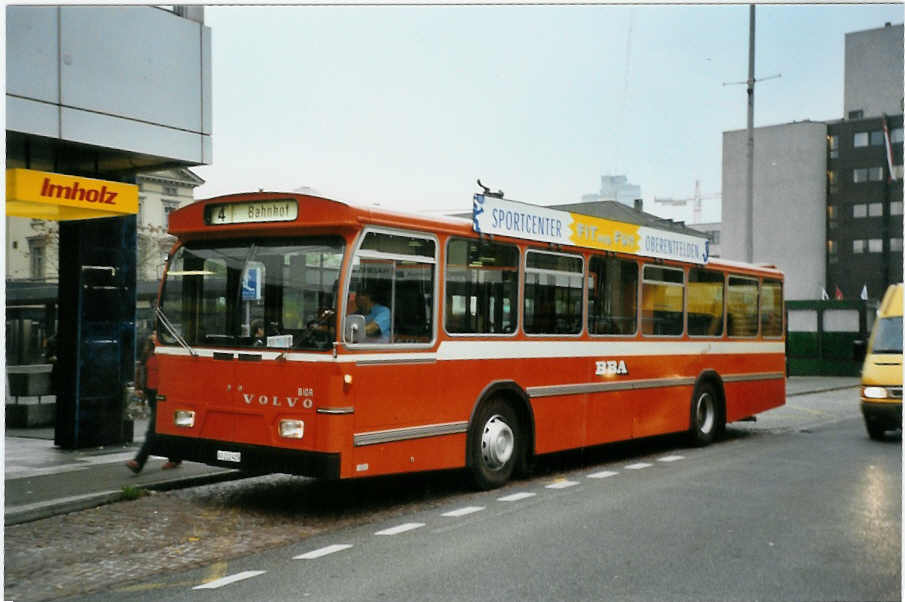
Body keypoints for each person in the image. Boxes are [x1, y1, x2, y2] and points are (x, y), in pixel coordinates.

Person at [127, 332, 181, 473]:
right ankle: (175, 457)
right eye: (152, 337)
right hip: (151, 394)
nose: (153, 338)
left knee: (154, 429)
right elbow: (141, 370)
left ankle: (139, 461)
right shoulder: (147, 354)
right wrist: (139, 388)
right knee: (166, 428)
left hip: (164, 395)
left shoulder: (167, 354)